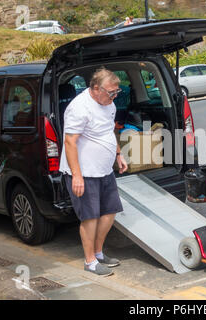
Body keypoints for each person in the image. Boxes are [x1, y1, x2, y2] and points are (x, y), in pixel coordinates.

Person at [59, 67, 128, 275]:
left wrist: (118, 154)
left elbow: (109, 130)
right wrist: (77, 176)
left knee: (109, 212)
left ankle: (98, 253)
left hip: (104, 170)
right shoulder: (79, 108)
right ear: (96, 88)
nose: (114, 96)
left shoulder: (109, 103)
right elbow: (70, 142)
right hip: (85, 173)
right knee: (90, 217)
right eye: (111, 92)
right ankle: (89, 262)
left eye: (117, 92)